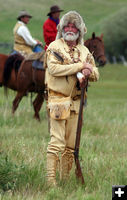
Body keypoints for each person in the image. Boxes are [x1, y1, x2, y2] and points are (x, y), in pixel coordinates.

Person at [44, 11, 99, 186]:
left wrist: (89, 71)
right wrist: (81, 65)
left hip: (77, 102)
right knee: (57, 143)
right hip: (58, 101)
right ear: (62, 28)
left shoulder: (84, 51)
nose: (70, 29)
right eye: (67, 26)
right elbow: (53, 69)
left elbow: (96, 74)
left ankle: (65, 181)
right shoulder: (54, 47)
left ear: (79, 30)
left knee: (70, 146)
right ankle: (51, 182)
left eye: (73, 26)